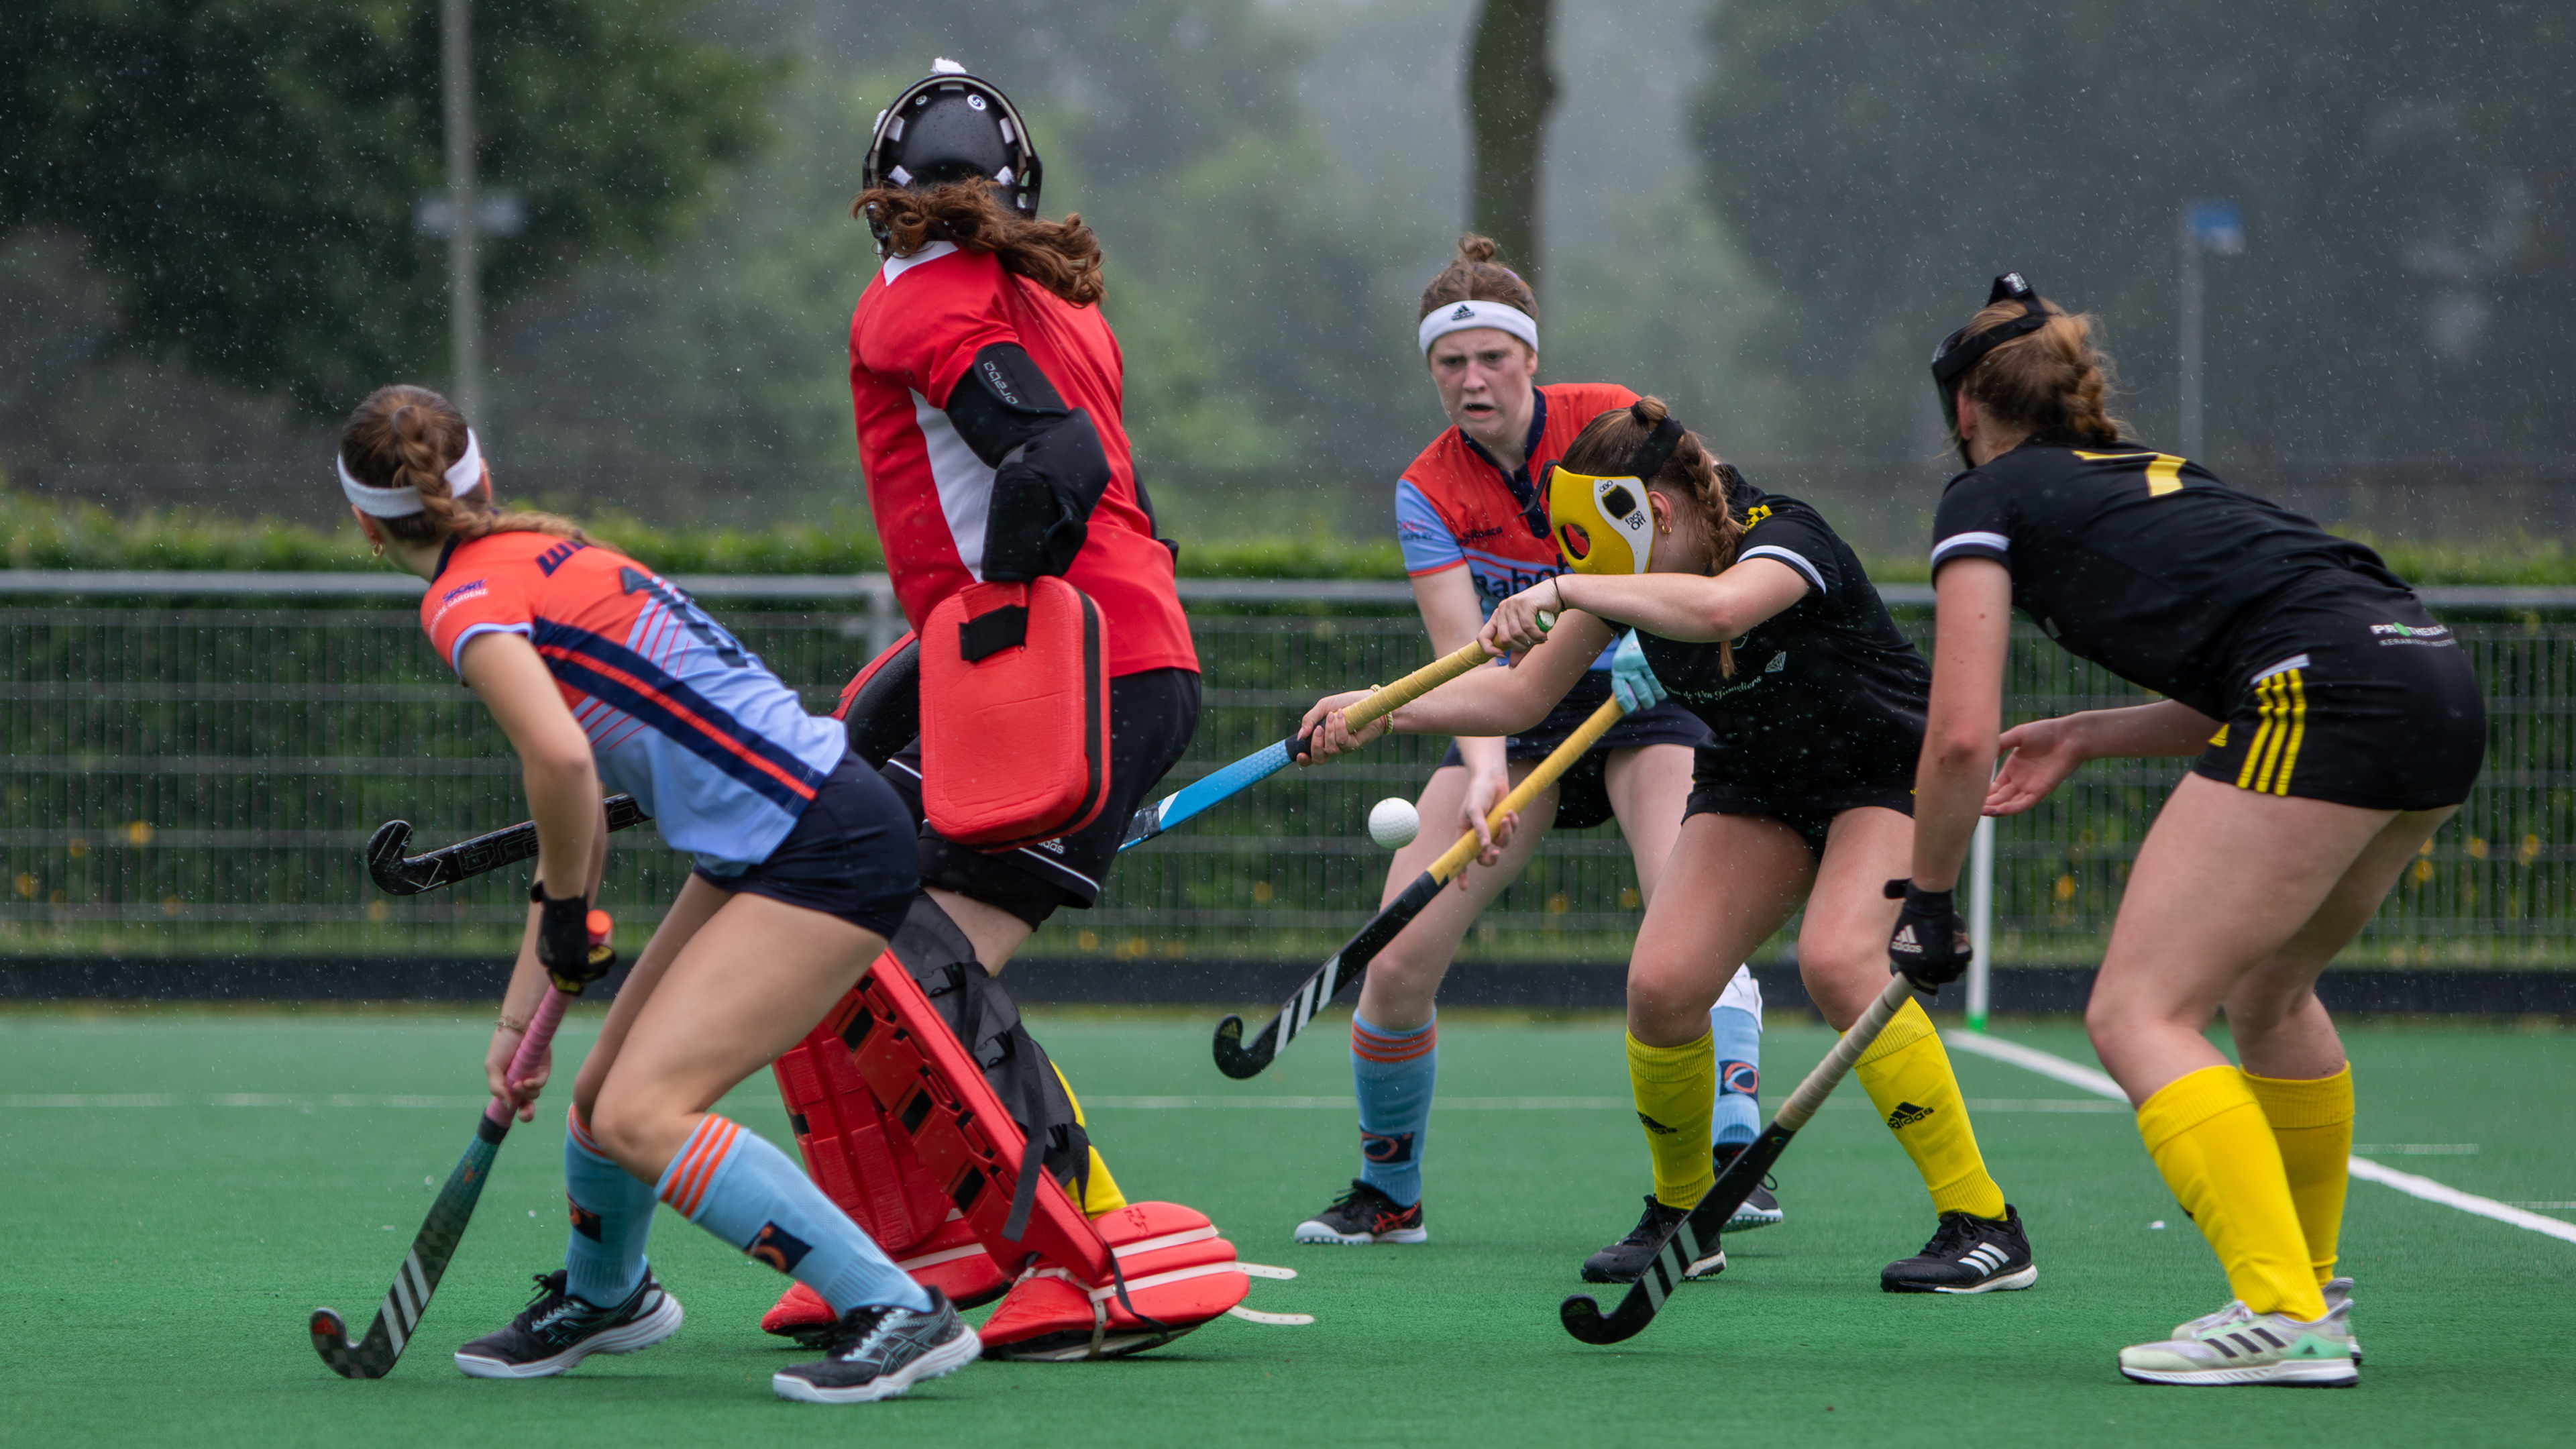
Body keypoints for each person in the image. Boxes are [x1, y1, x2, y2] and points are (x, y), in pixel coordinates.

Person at [1307, 397, 2035, 1292]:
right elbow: (1518, 698)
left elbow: (1723, 610)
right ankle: (1686, 1214)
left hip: (1884, 771)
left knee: (1838, 963)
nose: (1592, 570)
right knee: (1662, 987)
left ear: (1656, 509)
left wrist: (1567, 589)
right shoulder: (1624, 576)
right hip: (1756, 782)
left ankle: (1982, 1222)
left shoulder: (1784, 537)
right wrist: (1381, 708)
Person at [335, 384, 974, 1405]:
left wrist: (562, 921)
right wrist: (519, 1023)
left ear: (367, 526)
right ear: (484, 478)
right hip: (778, 837)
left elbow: (559, 763)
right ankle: (610, 1296)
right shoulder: (553, 552)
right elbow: (578, 813)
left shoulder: (462, 602)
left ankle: (896, 1308)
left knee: (643, 1112)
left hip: (822, 842)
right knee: (600, 1104)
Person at [1900, 273, 2483, 1384]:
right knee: (2268, 993)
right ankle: (2307, 1293)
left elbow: (1961, 736)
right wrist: (2086, 733)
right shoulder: (2145, 473)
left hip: (2330, 689)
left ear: (1965, 407)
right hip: (2428, 674)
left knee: (2137, 1011)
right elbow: (2256, 661)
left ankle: (2284, 1312)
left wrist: (1925, 896)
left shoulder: (1984, 498)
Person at [751, 60, 1211, 1349]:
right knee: (825, 914)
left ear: (879, 193)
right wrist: (931, 673)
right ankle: (920, 1240)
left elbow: (1054, 463)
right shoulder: (1053, 296)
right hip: (1098, 655)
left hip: (1062, 672)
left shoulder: (914, 300)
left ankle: (1082, 1240)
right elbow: (1116, 500)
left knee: (900, 955)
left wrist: (998, 629)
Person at [1288, 238, 1775, 1251]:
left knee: (1687, 919)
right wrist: (1481, 775)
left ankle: (1734, 1154)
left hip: (1653, 698)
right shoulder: (1427, 489)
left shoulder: (1614, 420)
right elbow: (1464, 657)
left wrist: (1661, 640)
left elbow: (1718, 538)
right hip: (1520, 713)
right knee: (1396, 958)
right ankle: (1390, 1194)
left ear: (1530, 358)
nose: (1473, 380)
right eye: (1450, 363)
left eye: (1492, 358)